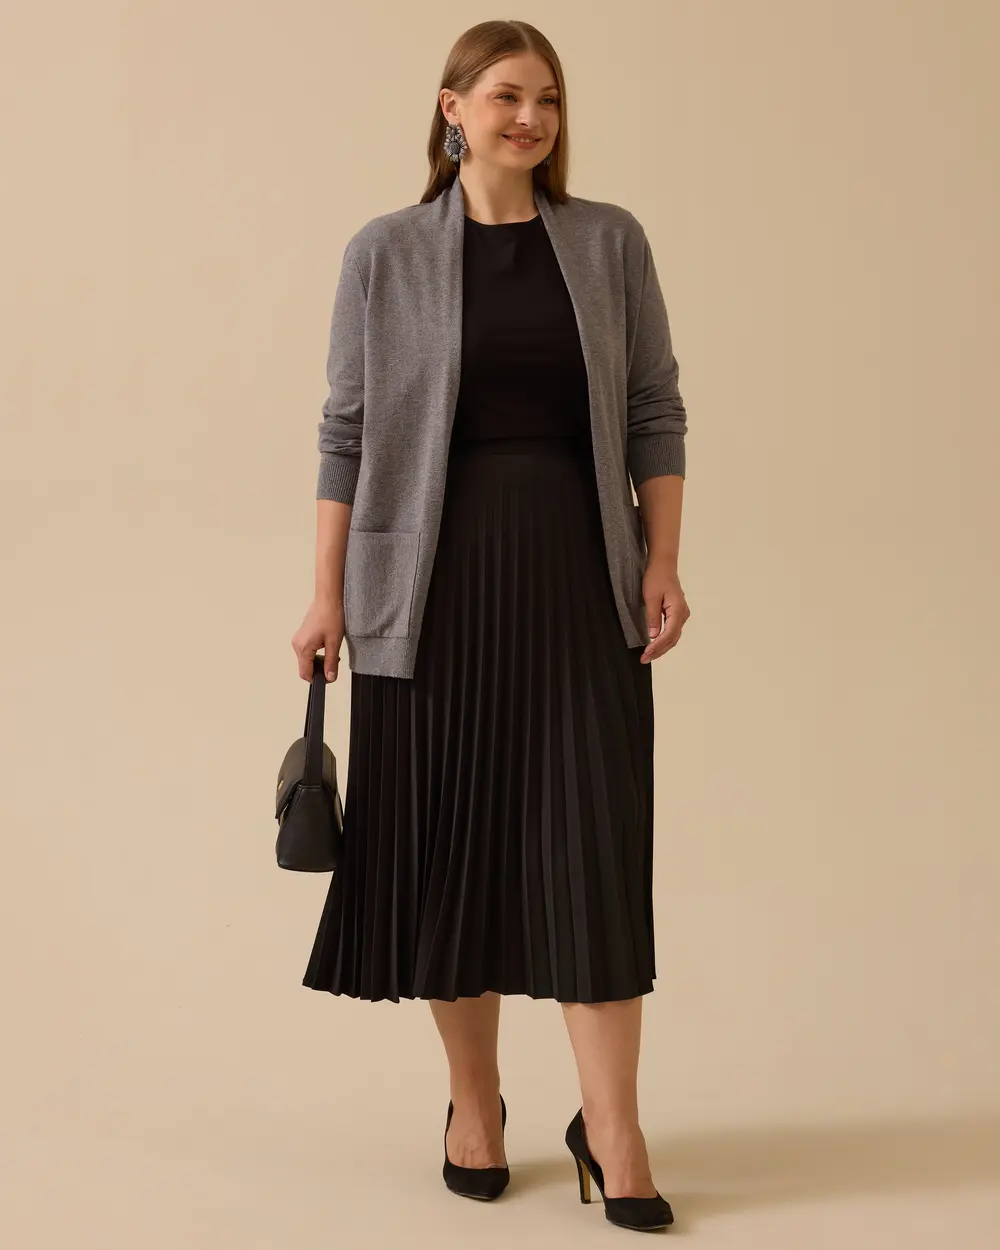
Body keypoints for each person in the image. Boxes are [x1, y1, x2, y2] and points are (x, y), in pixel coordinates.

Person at [290, 18, 691, 1233]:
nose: (531, 118)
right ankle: (475, 1100)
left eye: (548, 100)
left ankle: (612, 1128)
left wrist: (662, 557)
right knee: (447, 851)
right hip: (424, 594)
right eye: (508, 95)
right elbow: (347, 430)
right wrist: (325, 594)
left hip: (577, 580)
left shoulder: (608, 241)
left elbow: (653, 407)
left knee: (591, 848)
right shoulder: (385, 252)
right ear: (452, 108)